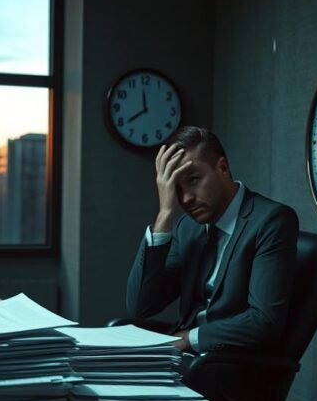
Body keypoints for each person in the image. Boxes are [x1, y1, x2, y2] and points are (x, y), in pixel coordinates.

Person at [126, 126, 299, 355]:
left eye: (194, 179)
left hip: (230, 363)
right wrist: (165, 214)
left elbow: (263, 321)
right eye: (176, 189)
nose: (186, 198)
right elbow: (141, 306)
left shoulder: (271, 221)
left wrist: (189, 339)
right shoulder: (187, 227)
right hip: (183, 358)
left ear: (223, 168)